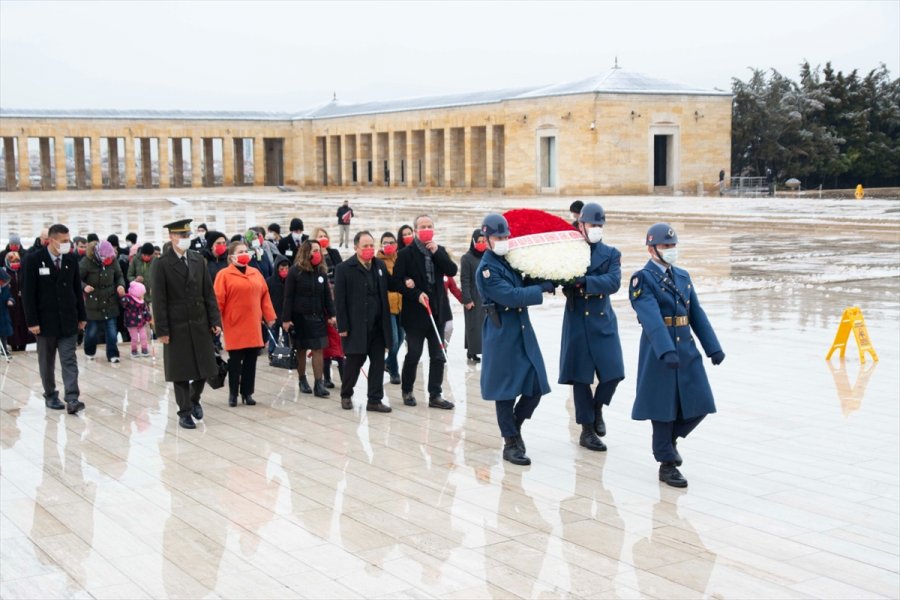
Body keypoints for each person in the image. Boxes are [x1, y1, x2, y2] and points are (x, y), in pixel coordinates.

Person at [628, 223, 725, 487]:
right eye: (665, 246)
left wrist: (712, 347)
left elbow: (696, 314)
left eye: (673, 245)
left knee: (701, 402)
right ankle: (666, 463)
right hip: (659, 351)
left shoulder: (682, 276)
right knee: (663, 407)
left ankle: (667, 442)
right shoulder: (642, 279)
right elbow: (651, 318)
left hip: (686, 347)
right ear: (651, 249)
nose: (670, 250)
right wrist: (666, 350)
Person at [475, 214, 554, 465]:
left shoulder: (509, 261)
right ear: (486, 239)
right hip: (502, 333)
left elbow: (525, 279)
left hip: (521, 329)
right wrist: (541, 289)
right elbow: (510, 296)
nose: (503, 241)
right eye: (498, 237)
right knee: (505, 392)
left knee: (536, 386)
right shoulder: (487, 270)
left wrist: (549, 275)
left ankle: (514, 428)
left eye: (506, 237)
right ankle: (510, 443)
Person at [559, 202, 624, 453]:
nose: (596, 228)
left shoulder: (611, 253)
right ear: (581, 224)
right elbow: (560, 280)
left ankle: (597, 408)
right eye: (591, 224)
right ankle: (587, 430)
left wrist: (584, 281)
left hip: (602, 318)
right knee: (581, 378)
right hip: (577, 319)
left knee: (614, 372)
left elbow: (613, 282)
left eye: (599, 224)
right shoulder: (570, 251)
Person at [151, 219, 222, 429]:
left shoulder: (198, 260)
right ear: (171, 237)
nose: (185, 239)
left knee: (206, 368)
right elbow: (159, 299)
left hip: (199, 321)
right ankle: (184, 412)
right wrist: (162, 330)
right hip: (176, 323)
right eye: (181, 236)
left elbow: (208, 292)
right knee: (180, 371)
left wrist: (215, 320)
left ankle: (194, 399)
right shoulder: (162, 263)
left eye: (187, 235)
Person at [391, 214, 457, 409]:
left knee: (438, 356)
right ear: (416, 230)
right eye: (422, 226)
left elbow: (452, 270)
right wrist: (413, 291)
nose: (426, 229)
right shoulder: (406, 253)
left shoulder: (439, 250)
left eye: (429, 226)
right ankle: (407, 389)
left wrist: (437, 253)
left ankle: (435, 394)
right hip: (415, 315)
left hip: (437, 313)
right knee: (414, 354)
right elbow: (396, 281)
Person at [22, 224, 87, 413]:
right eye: (64, 241)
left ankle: (72, 398)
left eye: (69, 240)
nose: (68, 244)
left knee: (69, 359)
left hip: (68, 320)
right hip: (44, 323)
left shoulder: (71, 259)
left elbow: (77, 289)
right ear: (52, 240)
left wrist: (82, 317)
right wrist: (32, 321)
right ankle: (50, 395)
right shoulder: (33, 260)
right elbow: (28, 294)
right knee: (46, 361)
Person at [333, 231, 392, 412]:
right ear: (356, 247)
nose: (369, 249)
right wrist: (342, 326)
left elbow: (391, 285)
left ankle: (374, 399)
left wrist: (408, 283)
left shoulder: (379, 265)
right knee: (354, 363)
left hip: (378, 326)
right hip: (356, 326)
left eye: (371, 246)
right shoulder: (344, 268)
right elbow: (340, 300)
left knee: (377, 363)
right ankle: (346, 394)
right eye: (365, 246)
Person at [214, 241, 276, 407]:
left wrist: (269, 316)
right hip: (234, 324)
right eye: (240, 251)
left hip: (253, 324)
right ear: (231, 256)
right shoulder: (224, 275)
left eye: (245, 250)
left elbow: (265, 296)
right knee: (235, 361)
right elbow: (218, 300)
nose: (244, 253)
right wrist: (215, 322)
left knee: (251, 360)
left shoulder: (255, 273)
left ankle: (247, 393)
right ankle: (233, 393)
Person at [282, 240, 334, 397]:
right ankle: (302, 379)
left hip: (317, 317)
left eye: (318, 250)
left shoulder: (321, 272)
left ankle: (319, 383)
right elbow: (288, 297)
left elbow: (327, 296)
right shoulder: (294, 272)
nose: (317, 253)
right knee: (302, 350)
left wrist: (332, 315)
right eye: (314, 250)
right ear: (306, 252)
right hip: (300, 318)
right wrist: (286, 319)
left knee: (318, 349)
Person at [80, 240, 126, 363]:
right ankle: (89, 351)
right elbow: (77, 279)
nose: (109, 260)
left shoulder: (113, 261)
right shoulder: (86, 262)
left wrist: (120, 285)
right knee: (92, 332)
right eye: (106, 258)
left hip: (110, 301)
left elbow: (119, 276)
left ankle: (113, 354)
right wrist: (84, 287)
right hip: (93, 303)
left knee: (112, 331)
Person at [376, 232, 403, 385]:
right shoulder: (378, 262)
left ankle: (387, 362)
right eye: (385, 242)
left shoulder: (400, 259)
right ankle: (394, 371)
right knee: (393, 341)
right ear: (381, 245)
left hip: (403, 305)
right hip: (387, 307)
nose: (388, 245)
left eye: (391, 242)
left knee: (401, 338)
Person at [459, 229, 486, 363]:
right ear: (473, 242)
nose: (481, 244)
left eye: (484, 241)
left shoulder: (487, 256)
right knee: (473, 325)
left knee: (482, 324)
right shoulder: (467, 258)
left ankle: (472, 349)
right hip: (473, 295)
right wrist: (467, 299)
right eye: (479, 241)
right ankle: (473, 351)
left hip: (485, 295)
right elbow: (464, 279)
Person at [3, 252, 34, 351]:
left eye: (17, 261)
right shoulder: (4, 272)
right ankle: (13, 345)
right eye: (12, 261)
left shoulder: (23, 271)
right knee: (13, 323)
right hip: (10, 303)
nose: (15, 263)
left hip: (22, 303)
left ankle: (23, 345)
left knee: (23, 323)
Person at [265, 256, 291, 356]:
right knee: (273, 335)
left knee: (287, 336)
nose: (285, 271)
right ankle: (272, 353)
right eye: (282, 269)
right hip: (274, 313)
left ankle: (287, 353)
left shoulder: (290, 281)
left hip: (286, 315)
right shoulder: (270, 281)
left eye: (287, 268)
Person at [121, 281, 152, 358]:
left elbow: (145, 310)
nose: (143, 295)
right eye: (142, 294)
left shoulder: (142, 301)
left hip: (141, 322)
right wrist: (123, 298)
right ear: (137, 293)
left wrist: (148, 317)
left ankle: (144, 349)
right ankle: (134, 350)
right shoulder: (128, 298)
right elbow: (123, 304)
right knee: (134, 337)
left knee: (143, 336)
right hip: (131, 322)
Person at [0, 269, 12, 355]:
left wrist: (10, 300)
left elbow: (9, 296)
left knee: (3, 333)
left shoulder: (4, 287)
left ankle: (4, 349)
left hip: (3, 312)